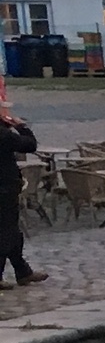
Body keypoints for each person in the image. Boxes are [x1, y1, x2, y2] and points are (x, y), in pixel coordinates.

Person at [0, 87, 46, 288]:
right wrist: (22, 126)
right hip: (5, 188)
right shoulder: (4, 135)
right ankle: (18, 272)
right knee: (7, 232)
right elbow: (29, 145)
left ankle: (22, 271)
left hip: (6, 187)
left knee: (11, 233)